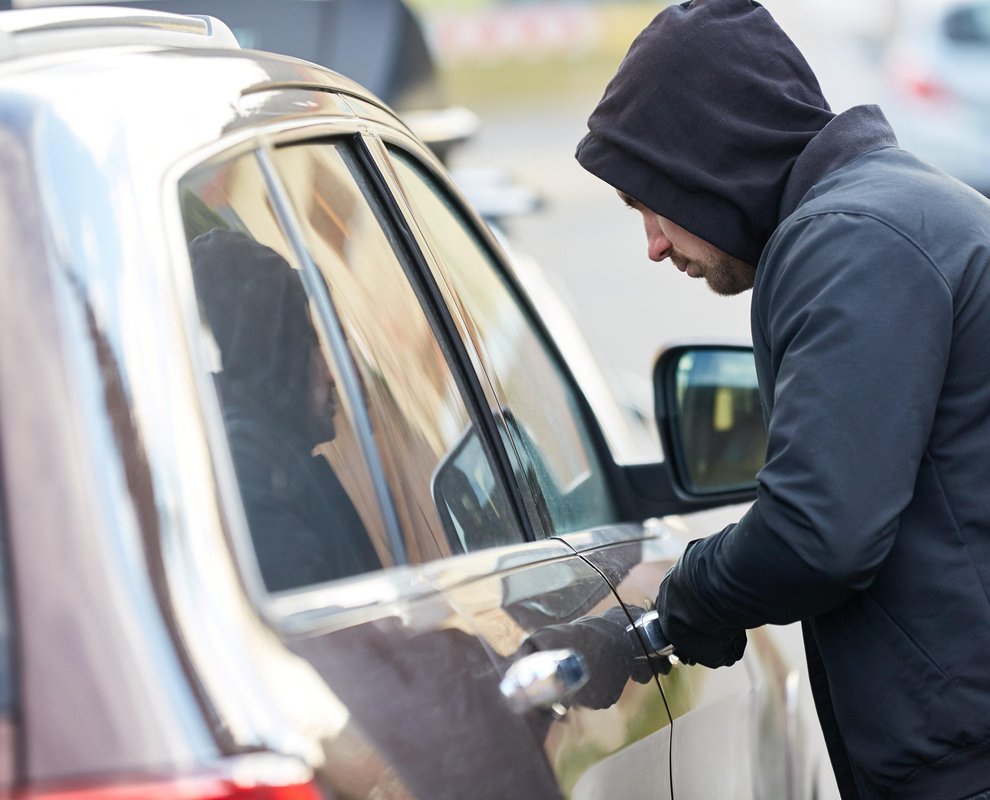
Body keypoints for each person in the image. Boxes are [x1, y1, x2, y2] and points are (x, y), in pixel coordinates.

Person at [575, 1, 990, 798]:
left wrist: (680, 603)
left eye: (647, 204)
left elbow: (816, 532)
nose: (654, 246)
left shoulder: (852, 240)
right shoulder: (888, 216)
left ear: (699, 158)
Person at [190, 229, 381, 591]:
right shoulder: (252, 470)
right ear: (276, 353)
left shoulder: (271, 457)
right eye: (311, 344)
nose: (331, 373)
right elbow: (328, 639)